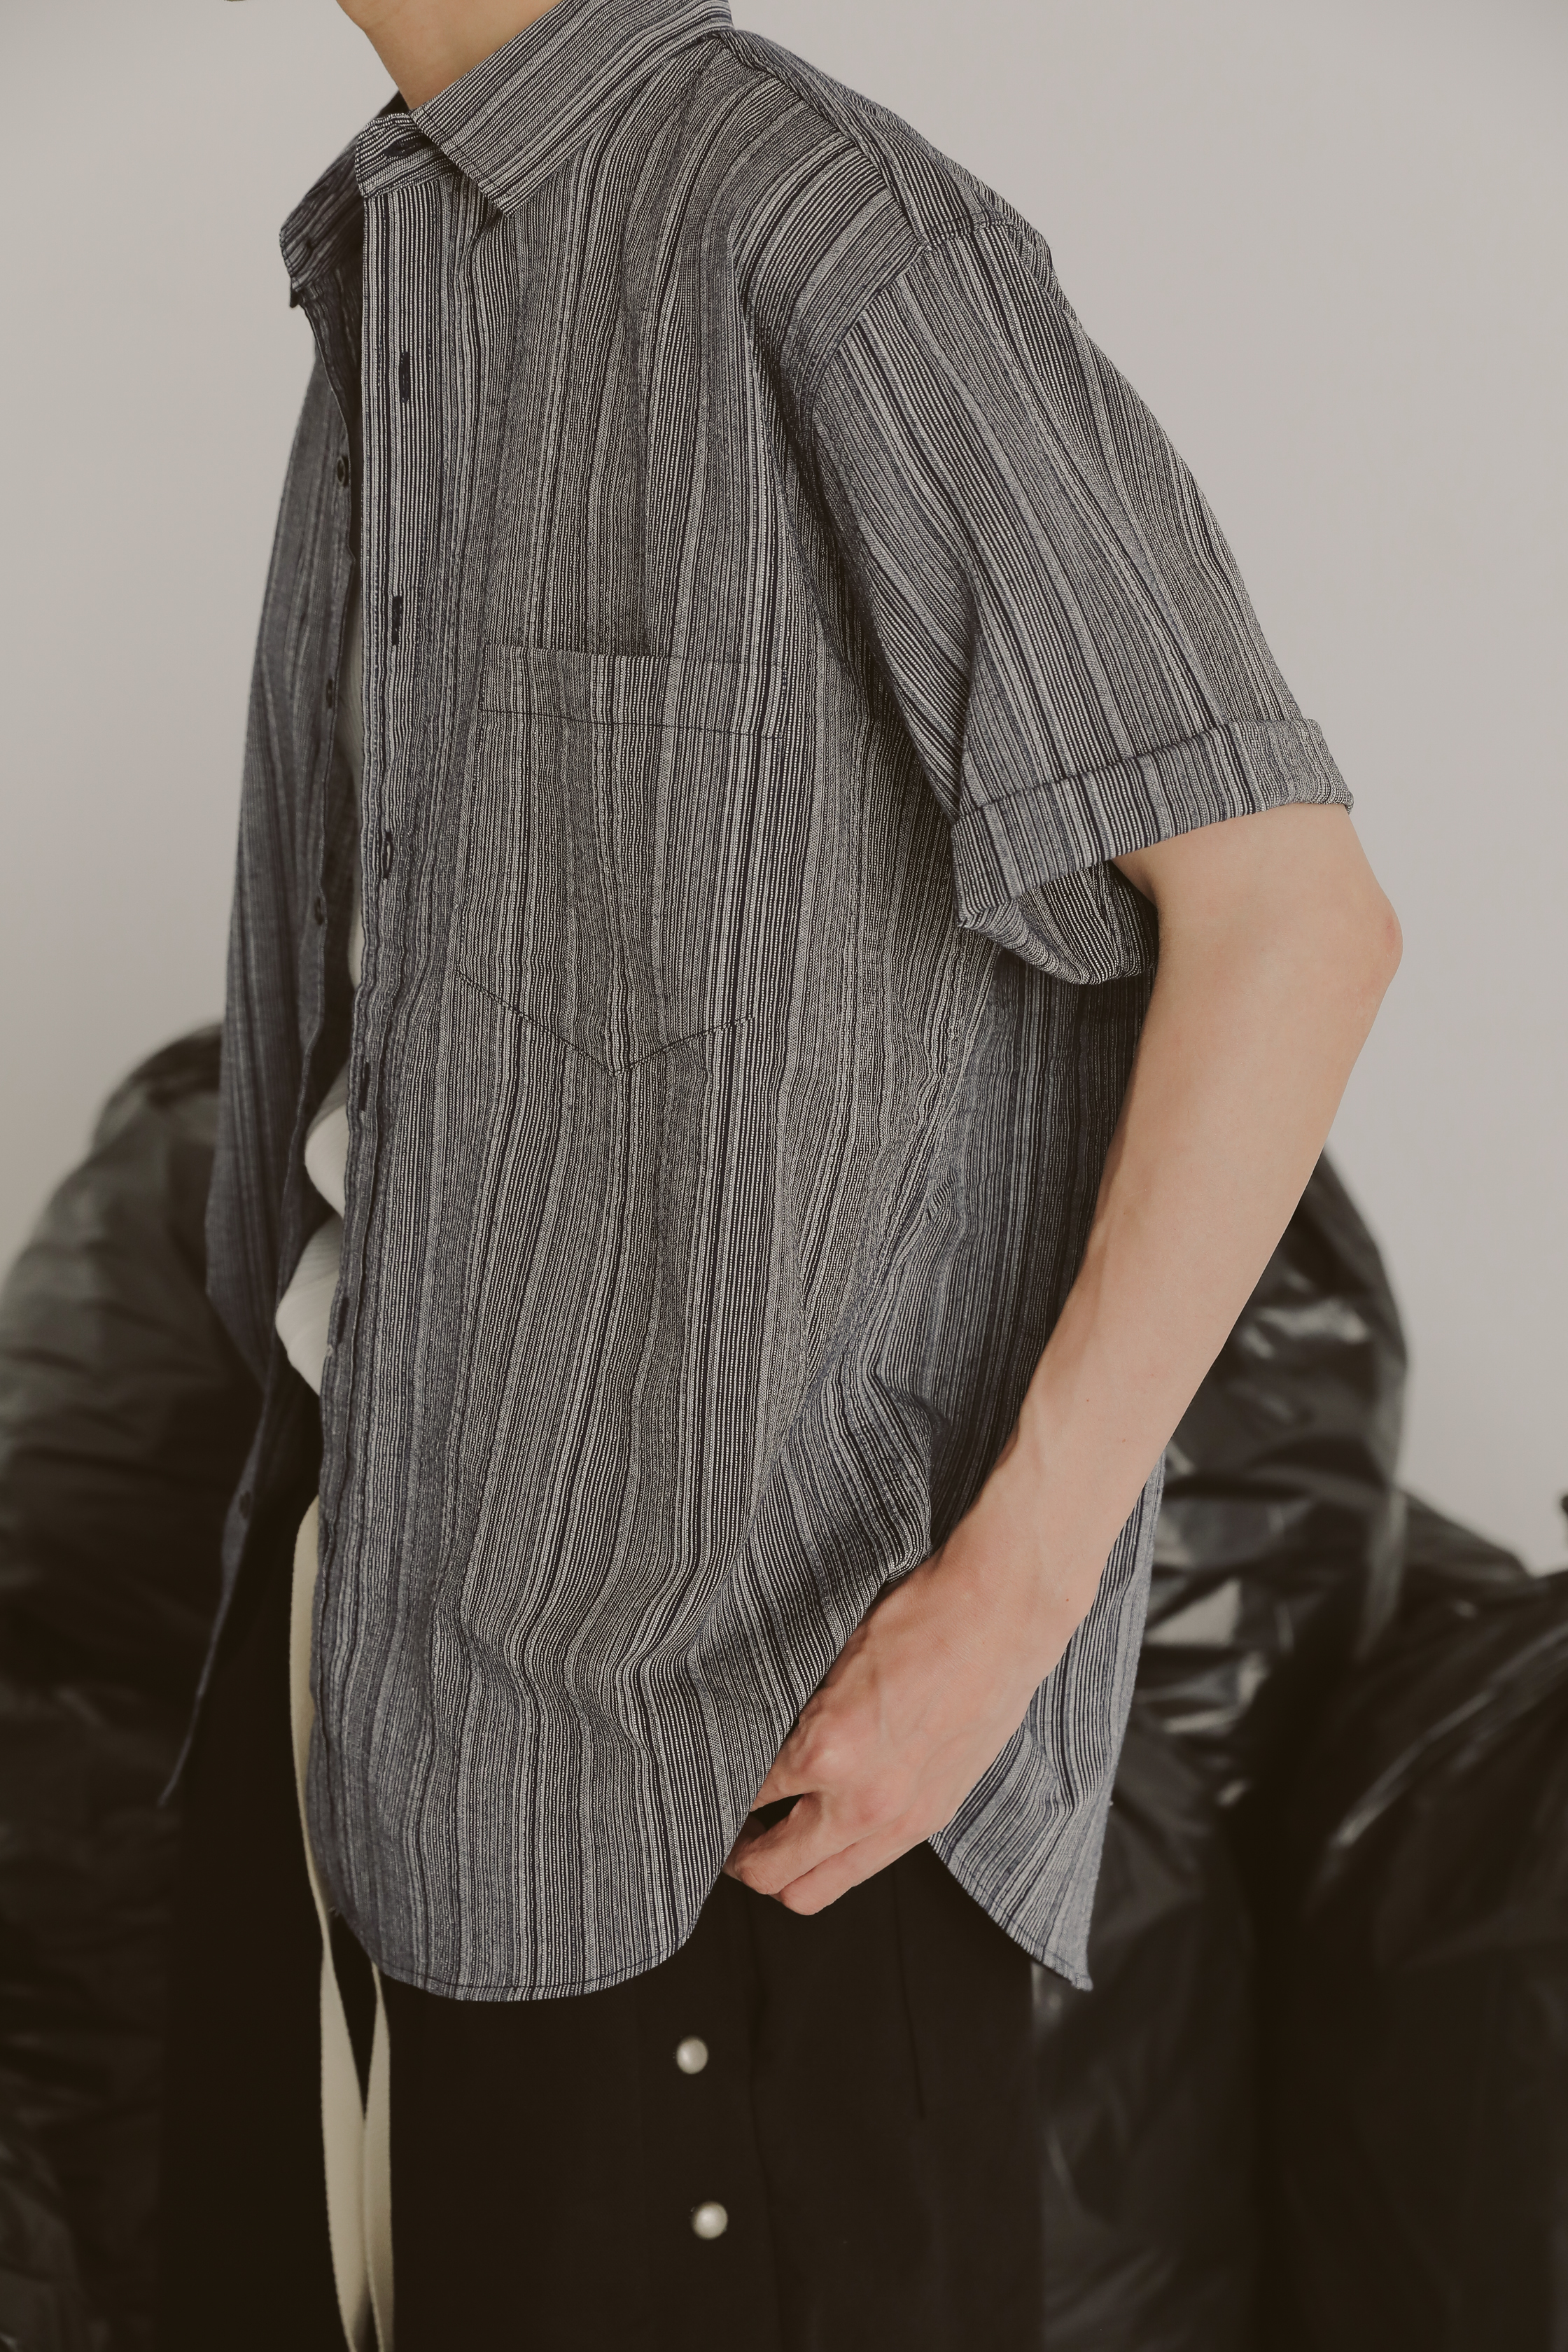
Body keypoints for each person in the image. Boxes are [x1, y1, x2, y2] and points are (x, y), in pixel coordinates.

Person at [155, 0, 1400, 2344]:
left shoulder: (831, 238)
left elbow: (1290, 918)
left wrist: (1003, 1616)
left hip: (726, 1785)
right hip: (360, 1669)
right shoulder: (397, 246)